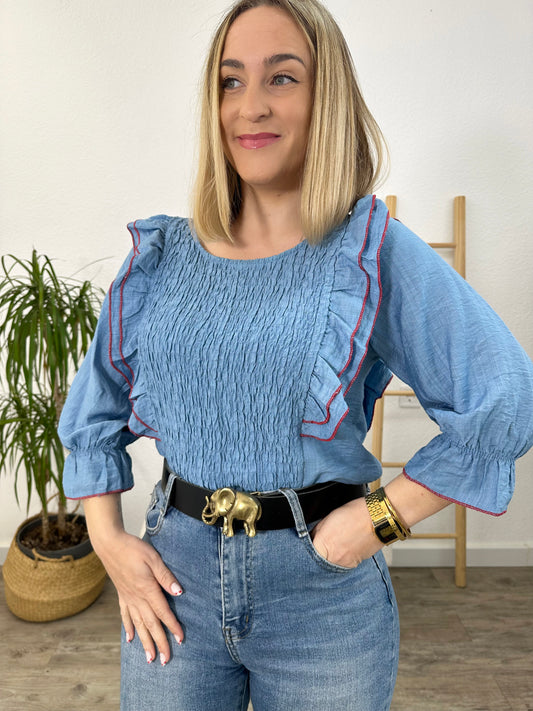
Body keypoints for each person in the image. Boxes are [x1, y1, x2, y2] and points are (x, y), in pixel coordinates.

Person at [58, 1, 533, 709]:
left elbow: (504, 398)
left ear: (325, 98)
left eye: (281, 77)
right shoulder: (161, 256)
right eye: (231, 80)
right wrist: (109, 542)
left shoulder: (368, 250)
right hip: (173, 583)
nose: (250, 105)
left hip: (322, 594)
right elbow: (93, 412)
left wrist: (378, 519)